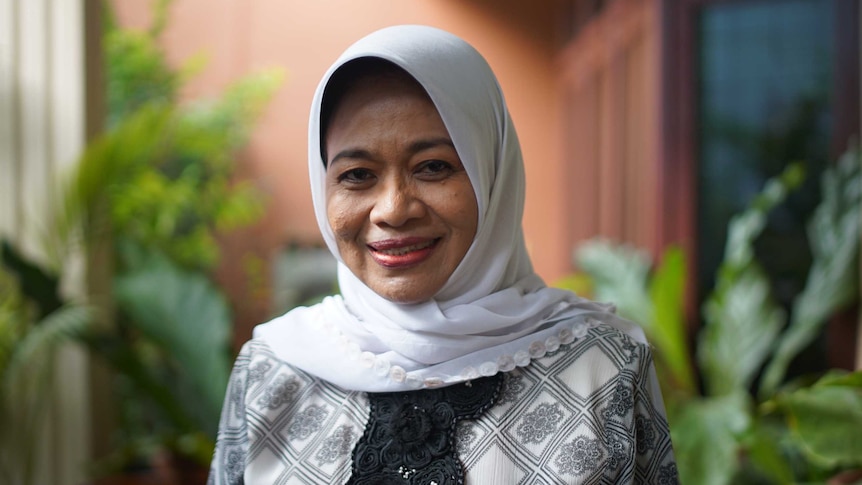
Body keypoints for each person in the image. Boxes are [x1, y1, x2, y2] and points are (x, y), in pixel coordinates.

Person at [209, 25, 677, 484]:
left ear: (492, 175)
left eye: (433, 167)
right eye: (357, 174)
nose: (393, 210)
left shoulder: (604, 369)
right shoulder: (274, 369)